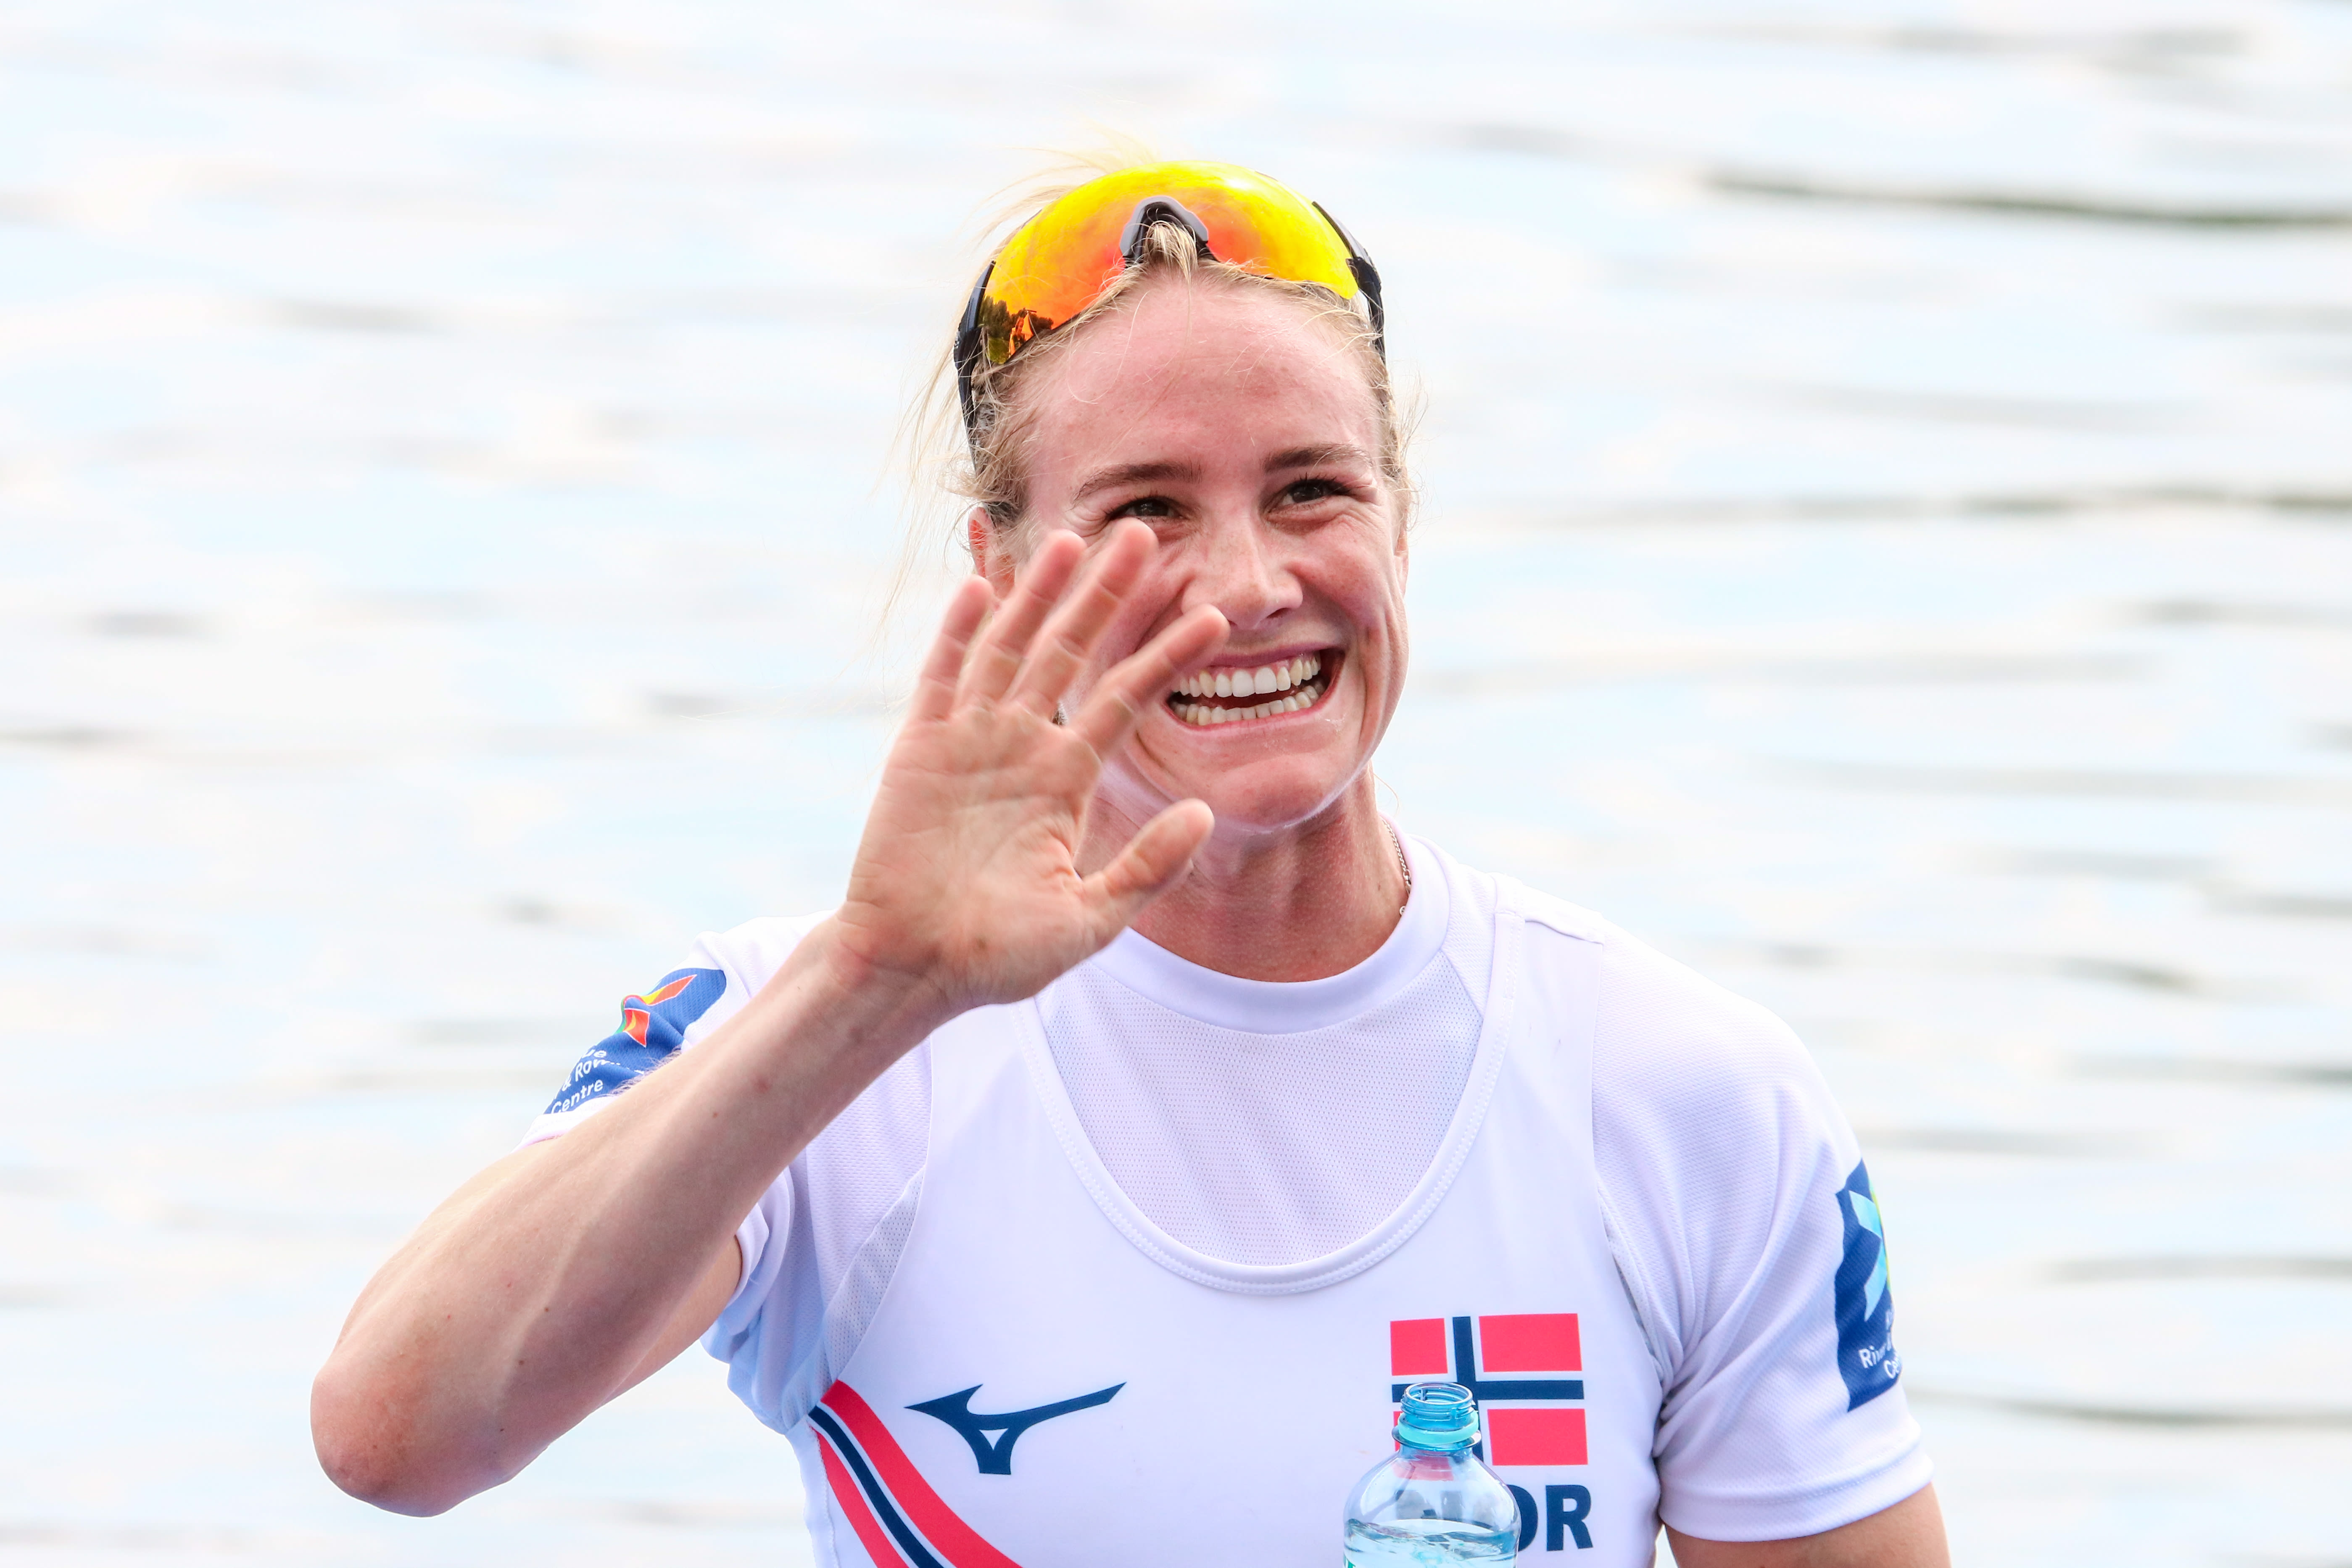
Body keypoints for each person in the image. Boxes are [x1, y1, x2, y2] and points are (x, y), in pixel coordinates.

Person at [312, 160, 1949, 1568]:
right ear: (998, 567)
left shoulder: (1681, 1090)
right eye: (1147, 511)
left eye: (1311, 491)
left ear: (1400, 522)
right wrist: (873, 982)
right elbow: (400, 1438)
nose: (1244, 588)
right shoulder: (812, 1040)